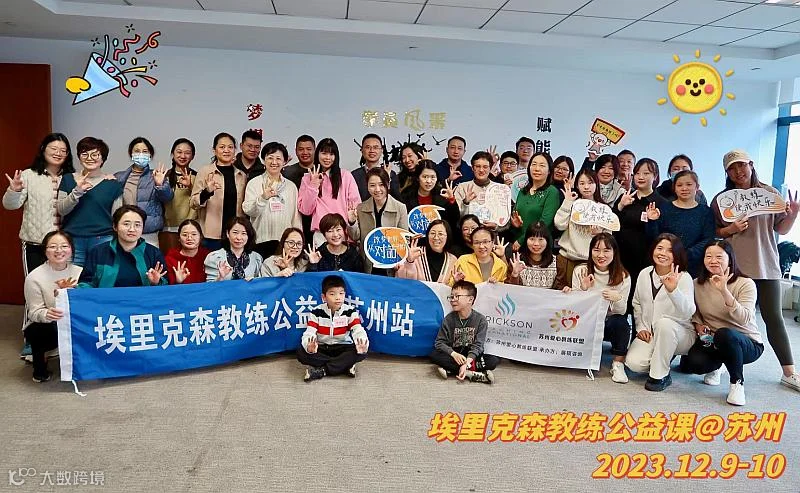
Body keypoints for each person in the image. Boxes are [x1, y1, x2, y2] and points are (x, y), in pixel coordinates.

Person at [711, 149, 800, 391]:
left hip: (766, 264)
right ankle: (718, 365)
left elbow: (781, 229)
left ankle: (789, 372)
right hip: (734, 267)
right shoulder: (722, 200)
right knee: (728, 317)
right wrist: (731, 229)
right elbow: (714, 231)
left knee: (774, 318)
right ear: (727, 173)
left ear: (751, 165)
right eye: (732, 168)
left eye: (742, 165)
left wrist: (793, 214)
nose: (738, 171)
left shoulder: (770, 194)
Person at [4, 133, 74, 359]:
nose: (58, 153)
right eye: (54, 148)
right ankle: (31, 338)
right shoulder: (28, 175)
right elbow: (10, 205)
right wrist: (14, 190)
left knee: (62, 289)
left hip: (63, 248)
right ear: (43, 149)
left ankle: (58, 335)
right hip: (35, 244)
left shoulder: (71, 177)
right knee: (34, 289)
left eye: (63, 150)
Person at [680, 240, 762, 406]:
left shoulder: (745, 283)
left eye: (719, 257)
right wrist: (698, 325)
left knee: (725, 334)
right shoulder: (697, 283)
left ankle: (737, 383)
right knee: (694, 364)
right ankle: (719, 366)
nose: (713, 261)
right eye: (708, 256)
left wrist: (724, 290)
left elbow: (744, 318)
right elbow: (695, 312)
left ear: (730, 259)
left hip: (746, 342)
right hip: (712, 340)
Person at [624, 234, 696, 392]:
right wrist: (641, 327)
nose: (663, 253)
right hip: (651, 333)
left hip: (680, 334)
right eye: (660, 248)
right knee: (634, 364)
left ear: (677, 254)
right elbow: (637, 303)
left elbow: (688, 312)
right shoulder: (645, 273)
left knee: (665, 324)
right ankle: (664, 354)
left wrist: (673, 291)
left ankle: (660, 376)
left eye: (669, 250)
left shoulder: (684, 277)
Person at [23, 230, 82, 382]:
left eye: (64, 246)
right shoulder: (34, 277)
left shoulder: (80, 272)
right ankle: (40, 368)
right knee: (37, 331)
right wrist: (47, 314)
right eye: (53, 246)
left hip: (76, 321)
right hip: (50, 324)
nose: (59, 250)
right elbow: (34, 312)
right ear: (45, 250)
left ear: (71, 249)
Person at [572, 233, 631, 383]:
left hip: (608, 323)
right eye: (596, 250)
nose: (601, 255)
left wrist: (617, 299)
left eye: (606, 250)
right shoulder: (581, 271)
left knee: (621, 323)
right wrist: (583, 290)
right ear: (590, 251)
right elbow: (574, 307)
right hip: (585, 322)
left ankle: (618, 364)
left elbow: (621, 311)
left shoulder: (623, 276)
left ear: (614, 252)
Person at [57, 137, 123, 266]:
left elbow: (117, 217)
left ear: (103, 158)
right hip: (72, 239)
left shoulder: (113, 184)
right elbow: (61, 210)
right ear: (79, 157)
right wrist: (77, 192)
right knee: (73, 277)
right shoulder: (68, 179)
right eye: (84, 154)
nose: (89, 158)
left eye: (95, 154)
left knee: (101, 276)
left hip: (103, 239)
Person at [613, 158, 663, 319]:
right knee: (619, 304)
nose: (641, 177)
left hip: (645, 263)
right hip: (621, 261)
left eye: (646, 173)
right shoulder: (626, 197)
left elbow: (659, 238)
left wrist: (652, 221)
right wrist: (620, 206)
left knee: (641, 306)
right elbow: (612, 225)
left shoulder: (661, 202)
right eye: (637, 173)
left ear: (655, 176)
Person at [297, 274, 369, 381]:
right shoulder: (316, 312)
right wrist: (309, 347)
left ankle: (322, 370)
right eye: (332, 294)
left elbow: (358, 330)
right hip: (322, 347)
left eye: (341, 293)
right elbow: (309, 332)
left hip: (343, 347)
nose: (338, 297)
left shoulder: (350, 311)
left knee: (360, 353)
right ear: (324, 297)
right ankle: (343, 366)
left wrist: (362, 343)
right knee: (301, 353)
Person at [78, 205, 168, 288]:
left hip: (142, 299)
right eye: (126, 224)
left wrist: (156, 282)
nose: (132, 229)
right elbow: (86, 283)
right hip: (107, 299)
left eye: (137, 225)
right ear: (115, 227)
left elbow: (166, 286)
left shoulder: (153, 253)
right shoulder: (98, 252)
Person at [645, 170, 714, 277]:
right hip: (665, 262)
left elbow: (708, 239)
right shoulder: (664, 208)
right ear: (674, 188)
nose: (684, 188)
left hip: (695, 265)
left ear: (697, 187)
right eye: (679, 185)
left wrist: (686, 254)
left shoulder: (705, 211)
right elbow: (654, 238)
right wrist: (652, 221)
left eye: (689, 184)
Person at [430, 280, 497, 383]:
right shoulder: (449, 319)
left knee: (493, 360)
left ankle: (454, 370)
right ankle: (472, 373)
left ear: (470, 299)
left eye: (457, 296)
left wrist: (467, 362)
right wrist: (454, 354)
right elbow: (439, 343)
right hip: (455, 355)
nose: (453, 299)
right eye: (451, 296)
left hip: (471, 356)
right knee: (434, 355)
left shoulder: (481, 320)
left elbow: (478, 345)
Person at [242, 141, 301, 259]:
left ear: (284, 162)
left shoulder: (291, 187)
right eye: (270, 158)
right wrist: (263, 198)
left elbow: (295, 217)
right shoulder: (254, 183)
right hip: (260, 241)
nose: (274, 162)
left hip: (285, 244)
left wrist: (297, 241)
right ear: (264, 160)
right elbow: (248, 210)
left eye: (278, 158)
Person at [297, 138, 360, 245]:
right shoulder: (307, 178)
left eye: (331, 154)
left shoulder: (345, 176)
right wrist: (313, 185)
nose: (327, 157)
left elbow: (355, 206)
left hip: (342, 233)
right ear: (317, 154)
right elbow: (306, 210)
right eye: (324, 153)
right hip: (320, 234)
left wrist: (351, 225)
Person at [191, 133, 247, 250]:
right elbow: (193, 203)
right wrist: (207, 192)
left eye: (230, 147)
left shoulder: (241, 175)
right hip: (211, 235)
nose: (226, 150)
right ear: (214, 150)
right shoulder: (205, 172)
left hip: (235, 235)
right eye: (222, 147)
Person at [115, 137, 173, 247]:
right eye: (137, 151)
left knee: (149, 258)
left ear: (150, 155)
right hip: (126, 231)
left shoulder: (156, 175)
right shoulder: (119, 177)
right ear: (131, 154)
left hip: (149, 232)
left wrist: (159, 185)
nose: (141, 154)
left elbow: (167, 198)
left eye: (145, 151)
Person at [553, 169, 606, 290]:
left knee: (584, 296)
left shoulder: (603, 209)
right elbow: (559, 225)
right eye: (582, 183)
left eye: (590, 182)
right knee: (563, 295)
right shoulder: (572, 203)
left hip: (590, 262)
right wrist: (567, 202)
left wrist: (599, 235)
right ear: (576, 186)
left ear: (596, 184)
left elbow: (609, 239)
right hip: (567, 259)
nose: (586, 187)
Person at [353, 168, 409, 275]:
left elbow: (404, 239)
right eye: (372, 185)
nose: (377, 189)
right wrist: (352, 222)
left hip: (391, 262)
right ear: (367, 186)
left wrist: (399, 260)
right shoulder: (361, 208)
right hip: (368, 263)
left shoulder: (400, 207)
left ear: (388, 185)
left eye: (381, 185)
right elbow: (356, 237)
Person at [509, 152, 560, 250]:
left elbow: (544, 222)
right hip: (518, 244)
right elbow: (516, 215)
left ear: (549, 171)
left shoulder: (551, 192)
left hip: (538, 246)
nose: (537, 169)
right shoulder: (523, 191)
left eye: (542, 165)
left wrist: (522, 240)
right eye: (534, 164)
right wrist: (515, 224)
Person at [454, 151, 512, 232]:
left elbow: (506, 220)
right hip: (468, 236)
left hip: (492, 236)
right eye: (478, 166)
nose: (481, 170)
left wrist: (496, 227)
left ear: (490, 168)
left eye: (485, 167)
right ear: (472, 168)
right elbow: (456, 218)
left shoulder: (500, 189)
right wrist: (465, 203)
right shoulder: (462, 187)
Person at [400, 159, 460, 233]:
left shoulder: (443, 194)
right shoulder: (406, 195)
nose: (428, 181)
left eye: (432, 177)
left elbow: (454, 220)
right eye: (425, 177)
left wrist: (451, 200)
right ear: (418, 178)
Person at [161, 138, 198, 252]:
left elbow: (201, 200)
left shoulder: (197, 176)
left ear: (192, 156)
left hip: (190, 227)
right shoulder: (164, 176)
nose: (183, 156)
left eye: (187, 153)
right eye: (179, 152)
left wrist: (191, 186)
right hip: (168, 228)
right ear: (173, 154)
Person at [396, 219, 457, 283]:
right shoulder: (415, 253)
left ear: (448, 236)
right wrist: (409, 262)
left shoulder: (452, 260)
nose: (436, 237)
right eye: (432, 233)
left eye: (440, 234)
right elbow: (401, 281)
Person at [204, 217, 263, 282]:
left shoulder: (256, 258)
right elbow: (210, 286)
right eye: (235, 232)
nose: (239, 237)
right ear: (227, 233)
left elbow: (259, 283)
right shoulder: (215, 257)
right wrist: (220, 278)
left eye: (244, 233)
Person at [282, 135, 316, 244]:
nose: (305, 152)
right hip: (294, 223)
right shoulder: (286, 173)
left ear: (315, 150)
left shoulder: (322, 171)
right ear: (296, 151)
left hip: (317, 225)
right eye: (301, 149)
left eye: (309, 149)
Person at [507, 221, 559, 289]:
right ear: (526, 240)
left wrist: (566, 289)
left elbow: (559, 288)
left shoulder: (556, 262)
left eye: (541, 239)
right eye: (532, 239)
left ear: (547, 241)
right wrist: (514, 275)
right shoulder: (516, 261)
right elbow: (509, 291)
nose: (536, 244)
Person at [351, 133, 400, 200]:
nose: (372, 151)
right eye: (368, 147)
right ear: (362, 150)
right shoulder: (354, 176)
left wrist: (386, 179)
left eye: (375, 147)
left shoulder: (391, 174)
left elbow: (396, 199)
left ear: (381, 150)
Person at [164, 219, 209, 284]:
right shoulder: (170, 259)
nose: (189, 238)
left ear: (200, 237)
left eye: (194, 234)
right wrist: (178, 282)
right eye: (185, 235)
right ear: (179, 238)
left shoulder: (208, 257)